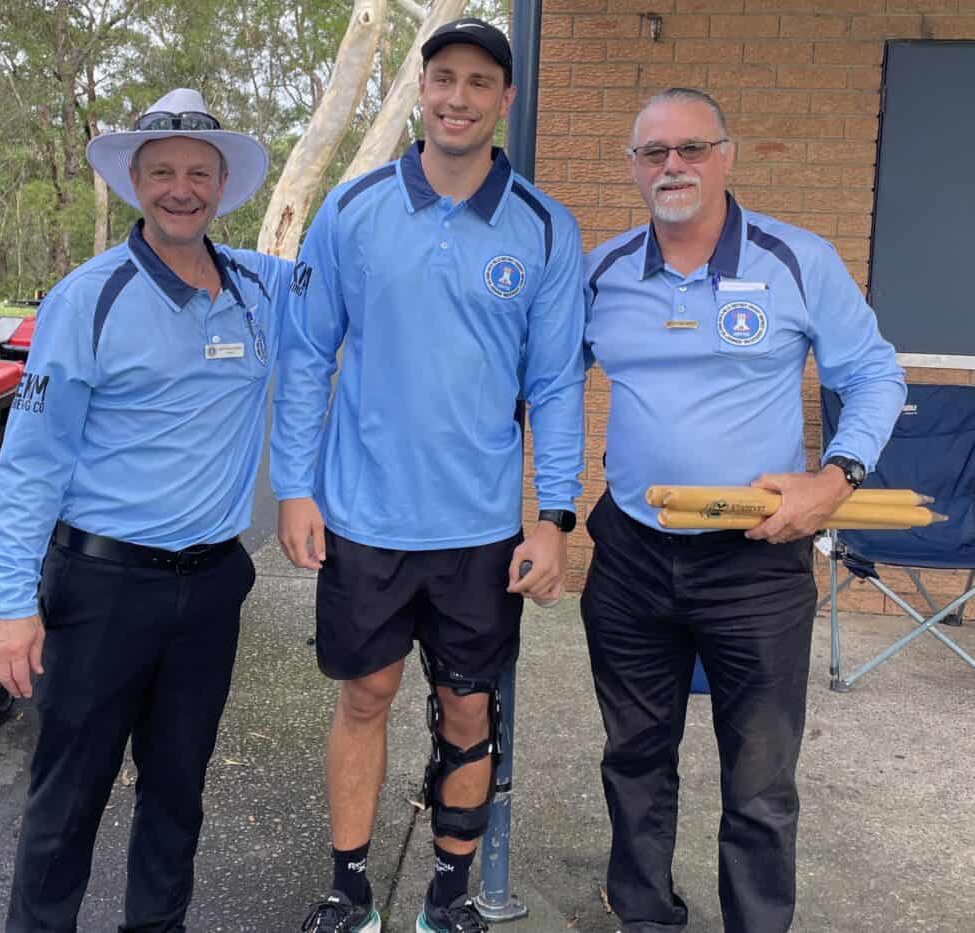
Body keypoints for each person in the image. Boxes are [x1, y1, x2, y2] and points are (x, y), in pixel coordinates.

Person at [271, 18, 585, 933]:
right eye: (442, 77)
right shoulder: (354, 208)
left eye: (479, 82)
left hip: (480, 528)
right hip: (365, 516)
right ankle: (351, 888)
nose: (457, 97)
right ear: (420, 88)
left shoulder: (542, 226)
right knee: (364, 694)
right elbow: (304, 356)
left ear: (505, 99)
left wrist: (553, 516)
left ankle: (449, 897)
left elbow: (558, 383)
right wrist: (295, 486)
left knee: (466, 704)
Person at [581, 87, 906, 933]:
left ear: (727, 155)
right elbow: (542, 381)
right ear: (633, 168)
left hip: (757, 556)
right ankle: (646, 914)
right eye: (654, 154)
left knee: (760, 777)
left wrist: (833, 481)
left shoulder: (795, 260)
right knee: (634, 754)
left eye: (690, 148)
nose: (673, 166)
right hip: (632, 553)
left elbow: (875, 374)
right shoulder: (605, 271)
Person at [0, 87, 292, 933]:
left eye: (199, 172)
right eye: (162, 172)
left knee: (177, 792)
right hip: (100, 587)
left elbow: (360, 286)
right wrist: (11, 600)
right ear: (136, 182)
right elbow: (31, 459)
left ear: (224, 185)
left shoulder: (263, 291)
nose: (181, 188)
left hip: (213, 585)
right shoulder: (88, 297)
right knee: (65, 804)